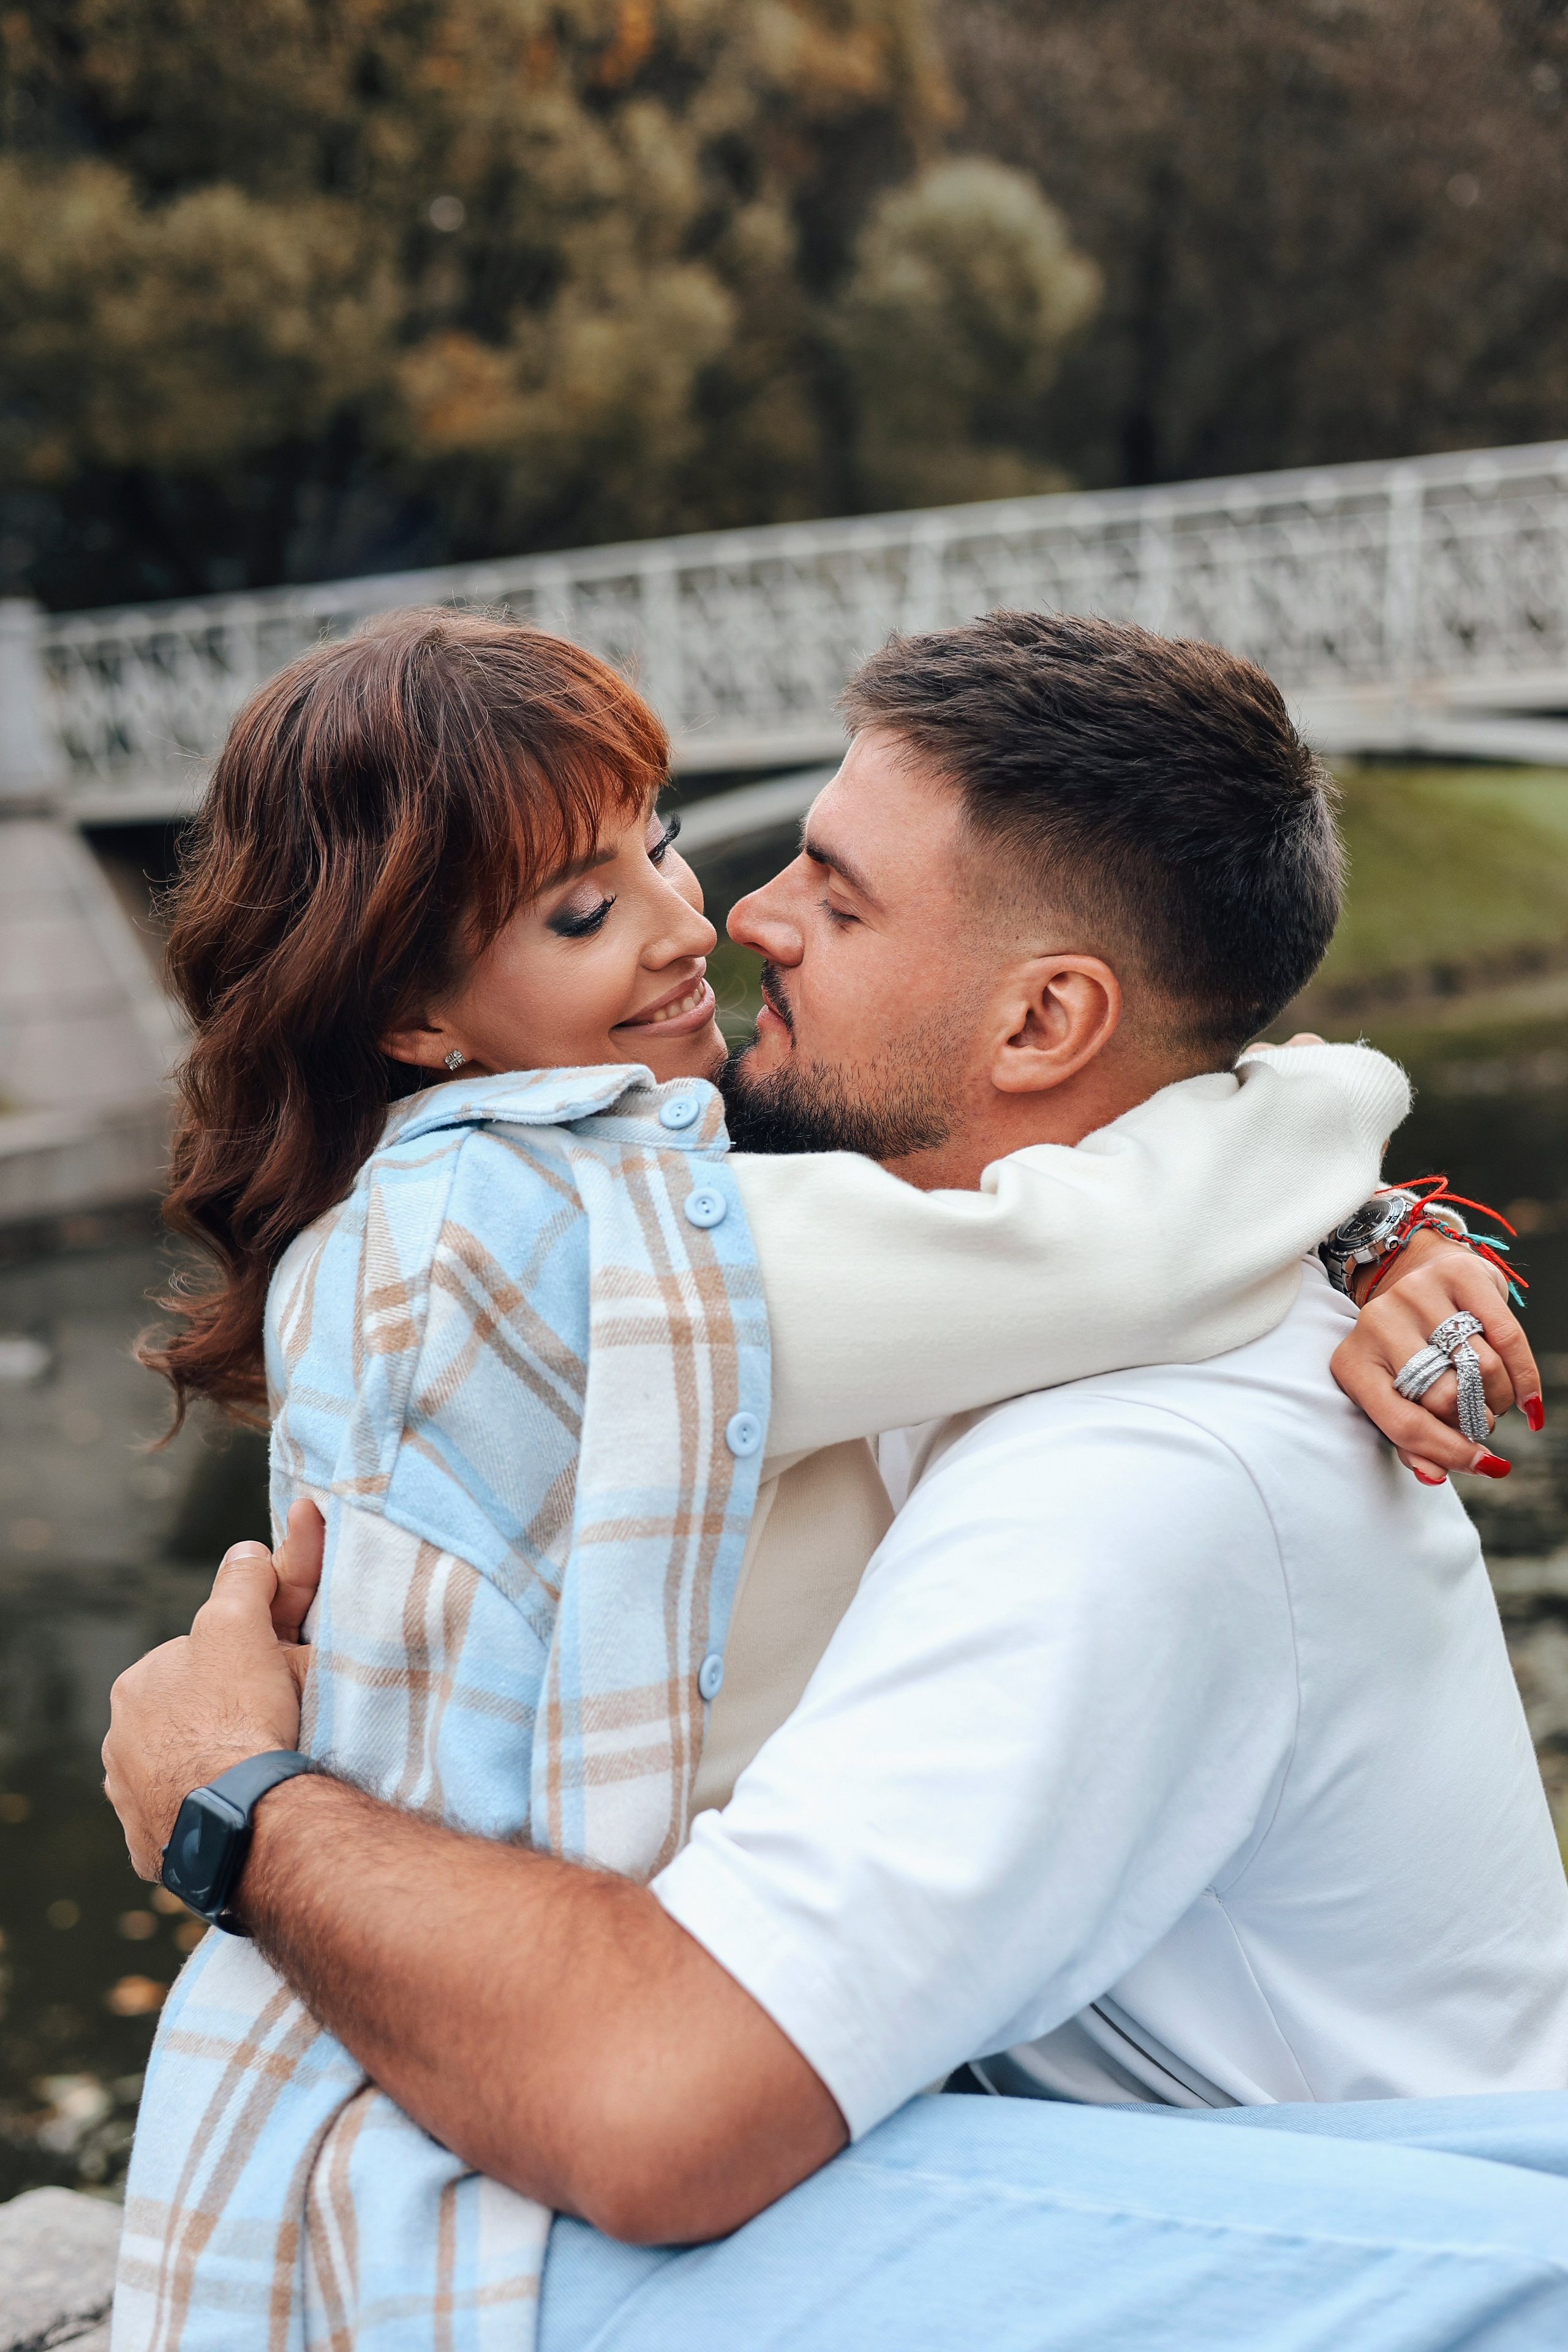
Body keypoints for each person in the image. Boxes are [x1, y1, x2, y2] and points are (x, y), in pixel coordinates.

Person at [106, 609, 1556, 2351]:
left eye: (835, 895)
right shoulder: (569, 1230)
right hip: (474, 2057)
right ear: (417, 1016)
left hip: (637, 2071)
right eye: (592, 906)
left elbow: (1099, 1251)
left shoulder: (1120, 1473)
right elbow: (1100, 1240)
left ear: (1044, 1020)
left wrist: (1348, 1230)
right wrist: (1342, 1184)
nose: (729, 916)